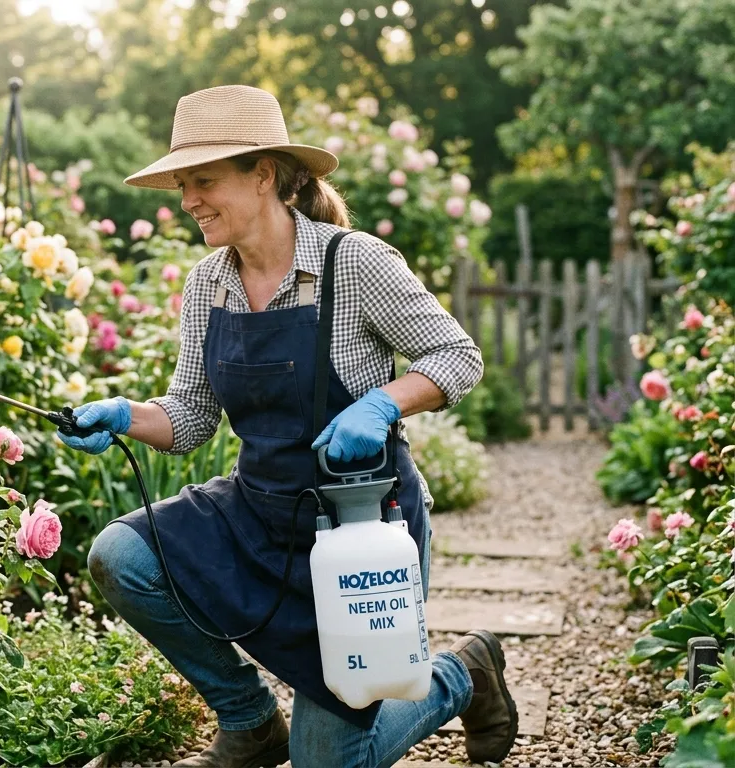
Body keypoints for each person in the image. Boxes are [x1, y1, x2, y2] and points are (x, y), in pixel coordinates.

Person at [58, 85, 517, 768]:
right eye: (184, 184)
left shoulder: (353, 263)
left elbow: (457, 354)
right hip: (259, 515)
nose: (188, 200)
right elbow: (190, 417)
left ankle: (463, 675)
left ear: (264, 174)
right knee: (120, 556)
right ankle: (249, 721)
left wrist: (382, 403)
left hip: (360, 530)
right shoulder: (207, 283)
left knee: (327, 764)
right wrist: (127, 415)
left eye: (204, 180)